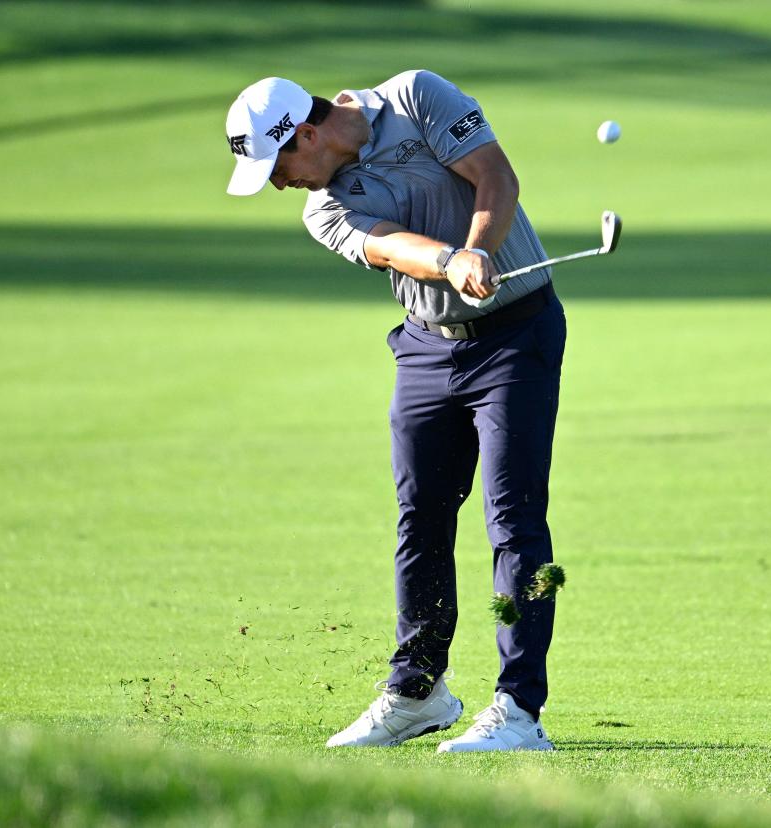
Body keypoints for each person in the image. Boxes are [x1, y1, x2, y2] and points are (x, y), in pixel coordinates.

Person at [225, 71, 564, 752]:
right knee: (421, 519)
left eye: (279, 166)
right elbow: (386, 245)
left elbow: (496, 177)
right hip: (426, 351)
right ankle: (418, 691)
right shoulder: (322, 209)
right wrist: (451, 260)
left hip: (514, 336)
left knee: (514, 518)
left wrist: (480, 247)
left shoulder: (416, 97)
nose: (279, 184)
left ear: (309, 133)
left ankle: (518, 708)